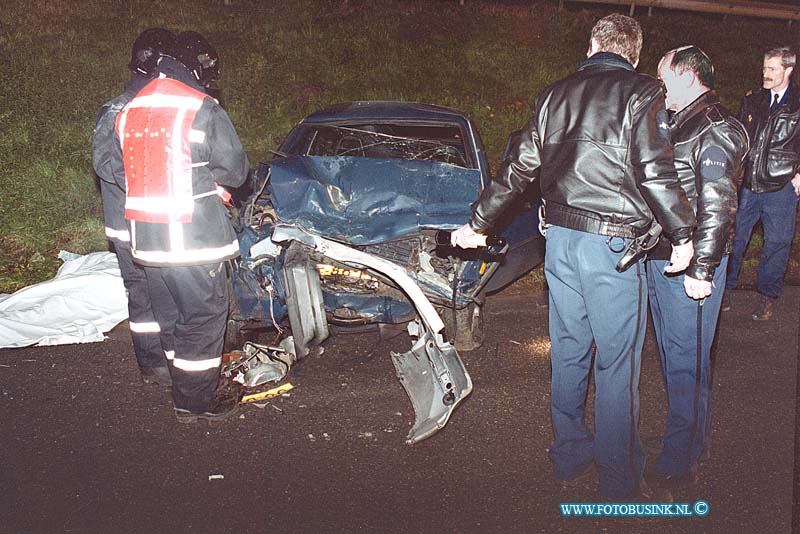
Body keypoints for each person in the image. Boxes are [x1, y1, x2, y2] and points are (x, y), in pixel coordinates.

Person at [451, 13, 696, 499]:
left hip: (559, 244)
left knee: (568, 352)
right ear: (636, 53)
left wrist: (477, 223)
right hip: (612, 249)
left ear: (591, 46)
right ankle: (620, 482)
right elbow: (654, 169)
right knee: (616, 365)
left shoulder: (553, 94)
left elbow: (517, 167)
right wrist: (683, 233)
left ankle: (568, 454)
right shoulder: (643, 92)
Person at [114, 31, 249, 422]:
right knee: (204, 318)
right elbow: (235, 172)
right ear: (196, 66)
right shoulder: (200, 107)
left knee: (171, 317)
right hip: (193, 240)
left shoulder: (130, 107)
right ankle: (194, 402)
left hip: (147, 240)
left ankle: (182, 382)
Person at [645, 47, 748, 493]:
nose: (657, 87)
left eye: (663, 78)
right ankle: (691, 440)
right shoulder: (680, 120)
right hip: (664, 257)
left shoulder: (715, 129)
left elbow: (718, 206)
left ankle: (681, 459)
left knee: (686, 363)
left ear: (687, 76)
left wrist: (702, 269)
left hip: (691, 264)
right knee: (675, 359)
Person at [92, 28, 176, 387]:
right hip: (130, 225)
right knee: (145, 292)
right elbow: (106, 163)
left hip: (155, 220)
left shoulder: (158, 106)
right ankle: (153, 363)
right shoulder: (118, 110)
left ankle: (171, 360)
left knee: (164, 290)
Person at [723, 46, 800, 321]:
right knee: (733, 238)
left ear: (788, 70)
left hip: (781, 188)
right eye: (764, 67)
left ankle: (767, 296)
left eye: (772, 69)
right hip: (747, 184)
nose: (765, 73)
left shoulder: (797, 103)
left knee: (777, 244)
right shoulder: (753, 100)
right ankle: (725, 289)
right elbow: (738, 137)